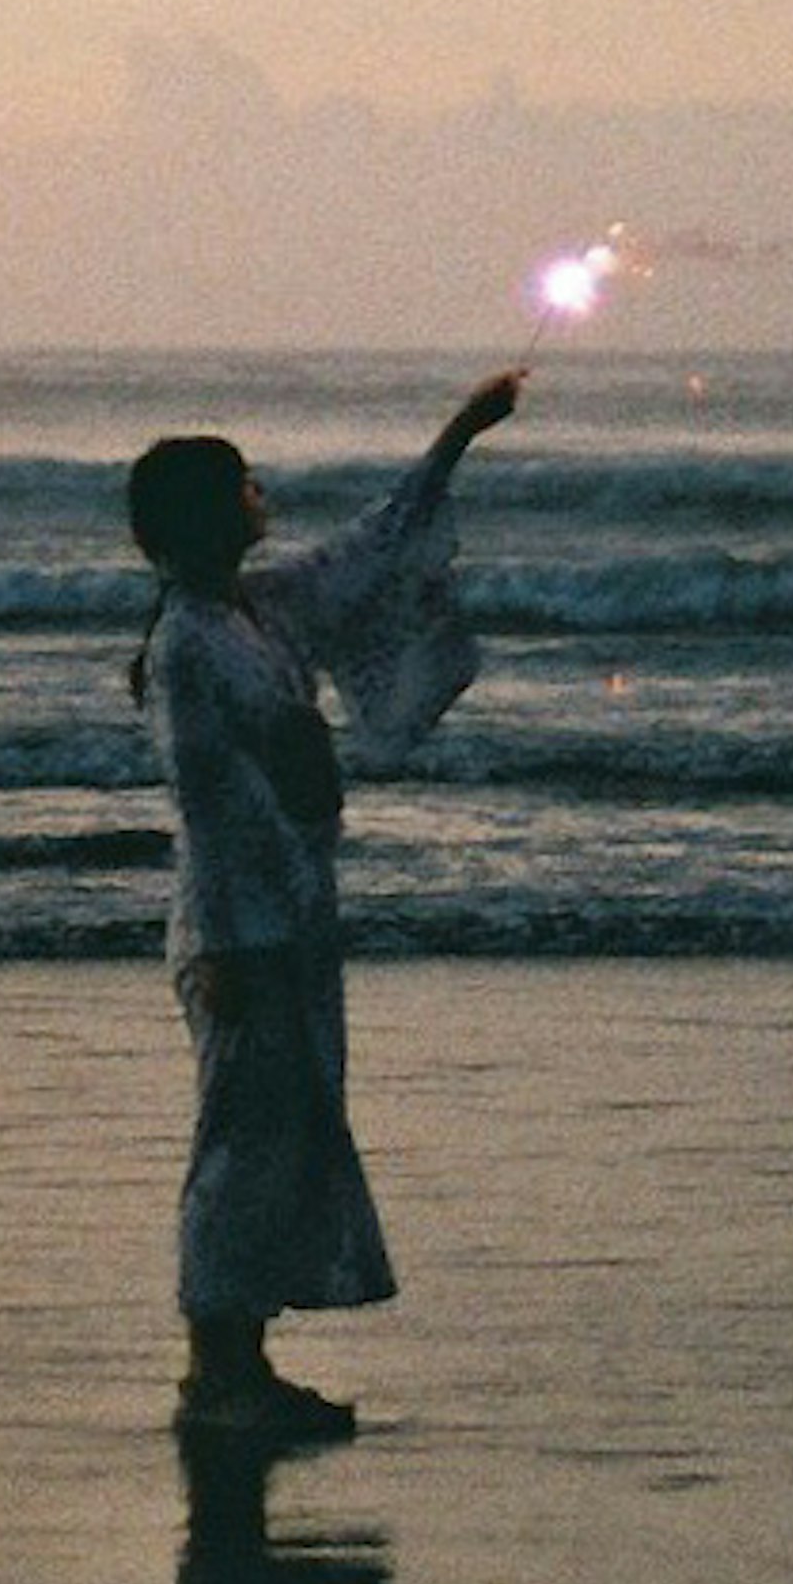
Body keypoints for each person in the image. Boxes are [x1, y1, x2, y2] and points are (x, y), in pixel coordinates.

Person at [127, 370, 517, 1447]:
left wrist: (459, 437)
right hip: (238, 928)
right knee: (239, 1144)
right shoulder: (190, 644)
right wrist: (232, 948)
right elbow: (206, 804)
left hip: (286, 914)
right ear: (210, 513)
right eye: (244, 484)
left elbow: (371, 551)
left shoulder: (253, 610)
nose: (264, 493)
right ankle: (217, 1376)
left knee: (282, 1132)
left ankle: (244, 1365)